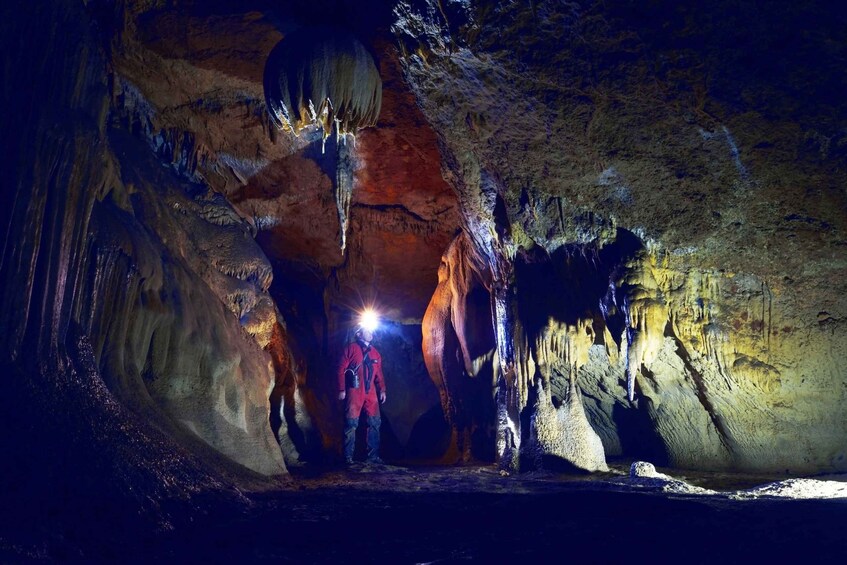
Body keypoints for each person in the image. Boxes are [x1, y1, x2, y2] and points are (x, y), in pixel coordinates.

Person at [337, 326, 387, 464]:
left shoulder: (375, 353)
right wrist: (342, 389)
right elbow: (340, 369)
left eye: (370, 330)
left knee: (375, 422)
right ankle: (347, 457)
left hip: (370, 391)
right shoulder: (351, 349)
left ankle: (373, 457)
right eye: (367, 330)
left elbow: (379, 373)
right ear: (358, 334)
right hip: (355, 390)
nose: (370, 332)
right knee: (351, 423)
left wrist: (382, 390)